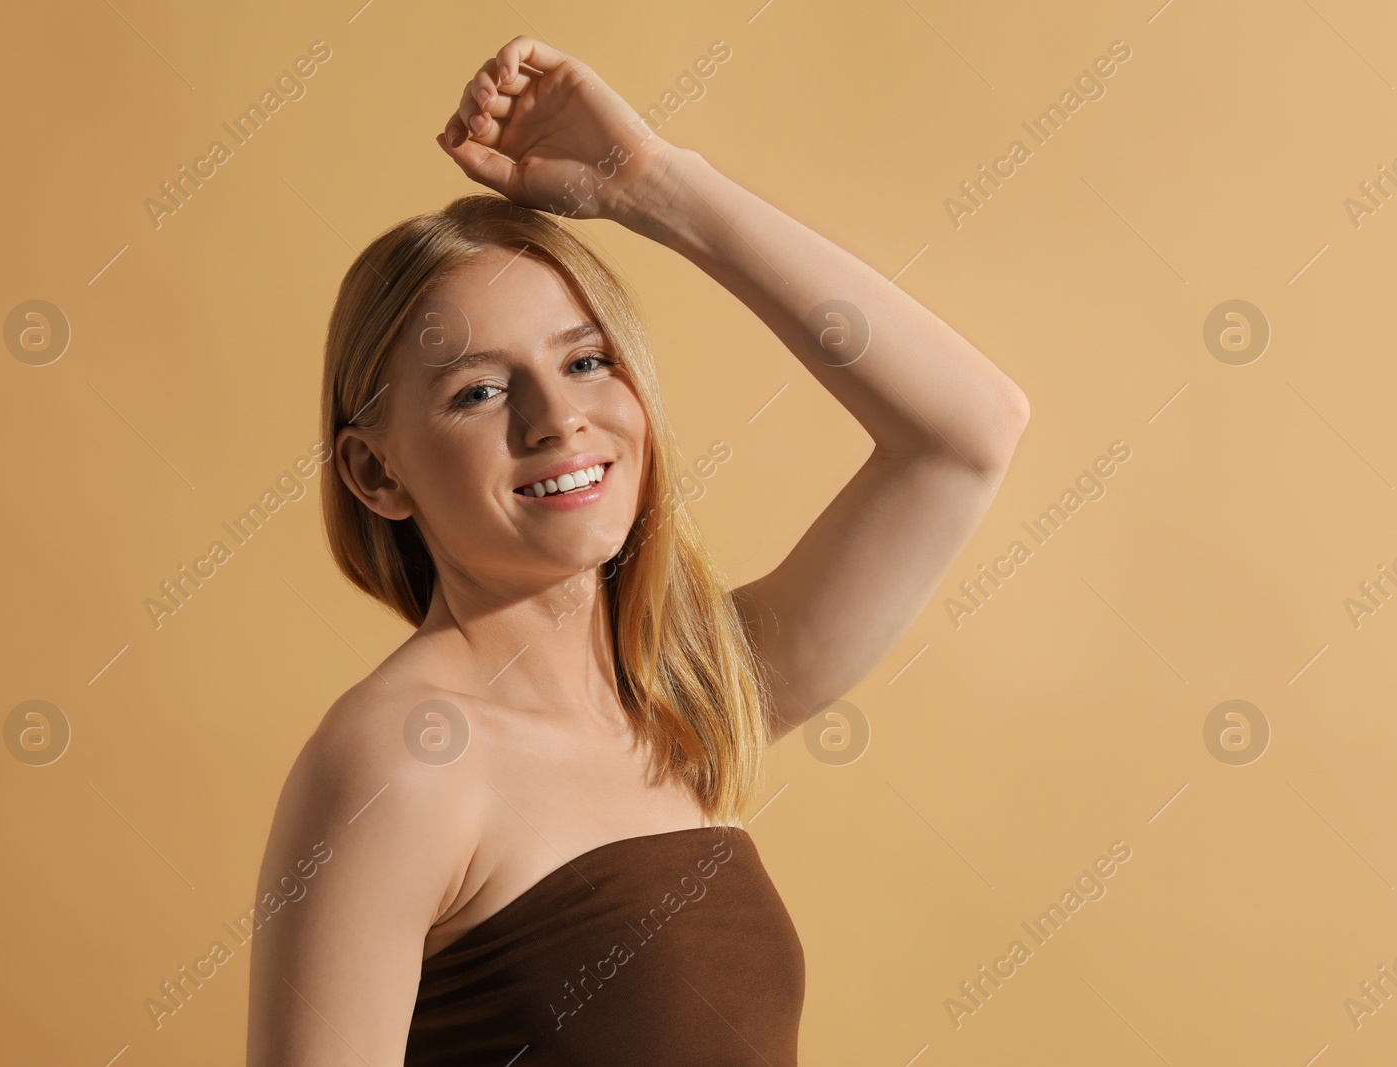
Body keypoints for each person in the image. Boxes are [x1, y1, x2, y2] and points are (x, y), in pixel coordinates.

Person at [246, 35, 1029, 1066]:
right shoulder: (399, 761)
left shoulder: (685, 696)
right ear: (376, 473)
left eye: (585, 360)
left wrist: (651, 183)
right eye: (478, 390)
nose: (556, 419)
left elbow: (967, 430)